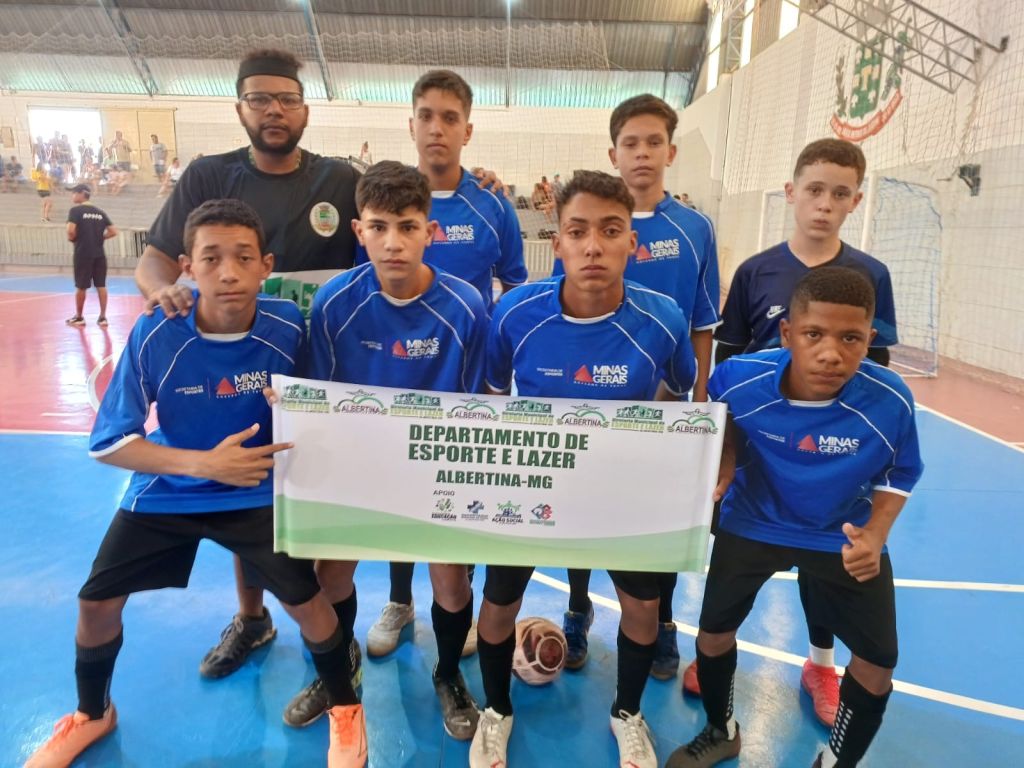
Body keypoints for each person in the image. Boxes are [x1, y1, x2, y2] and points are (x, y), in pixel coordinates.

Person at [23, 199, 367, 768]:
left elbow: (321, 402)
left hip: (255, 487)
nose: (228, 272)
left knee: (308, 603)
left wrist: (300, 407)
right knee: (95, 603)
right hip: (173, 488)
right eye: (211, 258)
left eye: (243, 257)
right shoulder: (157, 332)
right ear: (187, 267)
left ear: (267, 265)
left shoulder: (288, 326)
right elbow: (110, 442)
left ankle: (347, 708)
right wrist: (205, 465)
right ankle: (91, 713)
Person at [469, 171, 697, 768]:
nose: (593, 246)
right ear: (558, 242)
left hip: (622, 491)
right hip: (531, 485)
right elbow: (490, 398)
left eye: (610, 231)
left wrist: (644, 447)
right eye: (578, 232)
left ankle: (627, 714)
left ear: (632, 243)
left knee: (643, 610)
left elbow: (678, 394)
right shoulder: (514, 313)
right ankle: (496, 712)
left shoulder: (664, 319)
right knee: (498, 606)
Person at [666, 266, 923, 768]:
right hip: (754, 521)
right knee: (712, 635)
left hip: (839, 532)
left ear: (869, 340)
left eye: (850, 338)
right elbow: (719, 417)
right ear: (787, 334)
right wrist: (727, 455)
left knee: (877, 664)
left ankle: (838, 760)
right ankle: (721, 730)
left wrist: (875, 535)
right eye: (814, 334)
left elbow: (902, 471)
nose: (831, 353)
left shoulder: (889, 400)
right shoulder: (739, 379)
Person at [692, 138, 900, 726]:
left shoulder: (871, 275)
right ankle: (714, 655)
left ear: (856, 200)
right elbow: (729, 360)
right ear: (791, 192)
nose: (824, 204)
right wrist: (727, 447)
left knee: (824, 564)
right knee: (738, 564)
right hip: (760, 454)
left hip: (830, 458)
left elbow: (877, 370)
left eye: (839, 193)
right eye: (814, 190)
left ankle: (821, 662)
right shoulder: (757, 270)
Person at [286, 160, 489, 739]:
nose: (393, 242)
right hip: (358, 467)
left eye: (407, 226)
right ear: (359, 231)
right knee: (328, 578)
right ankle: (339, 668)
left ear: (431, 231)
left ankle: (448, 674)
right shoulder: (334, 302)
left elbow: (478, 404)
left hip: (438, 469)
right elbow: (319, 397)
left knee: (452, 584)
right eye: (378, 227)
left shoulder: (466, 306)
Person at [359, 69, 528, 665]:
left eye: (450, 118)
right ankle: (399, 600)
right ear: (411, 125)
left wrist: (498, 366)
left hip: (464, 373)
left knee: (458, 494)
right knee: (396, 488)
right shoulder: (385, 200)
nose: (437, 128)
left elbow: (515, 286)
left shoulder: (492, 204)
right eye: (426, 116)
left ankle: (462, 604)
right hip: (394, 369)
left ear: (467, 130)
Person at [551, 94, 721, 680]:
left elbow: (702, 322)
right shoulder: (586, 225)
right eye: (631, 143)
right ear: (613, 153)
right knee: (580, 510)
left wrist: (698, 401)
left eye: (654, 142)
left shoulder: (694, 228)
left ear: (671, 151)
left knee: (657, 521)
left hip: (663, 405)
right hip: (591, 396)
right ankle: (577, 608)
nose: (643, 153)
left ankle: (664, 621)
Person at [65, 183, 117, 327]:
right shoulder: (100, 212)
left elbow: (70, 230)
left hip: (83, 253)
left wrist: (73, 238)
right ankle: (103, 317)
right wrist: (99, 238)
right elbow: (113, 231)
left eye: (74, 193)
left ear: (82, 194)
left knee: (81, 286)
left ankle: (79, 317)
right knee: (101, 285)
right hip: (99, 254)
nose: (72, 195)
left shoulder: (75, 211)